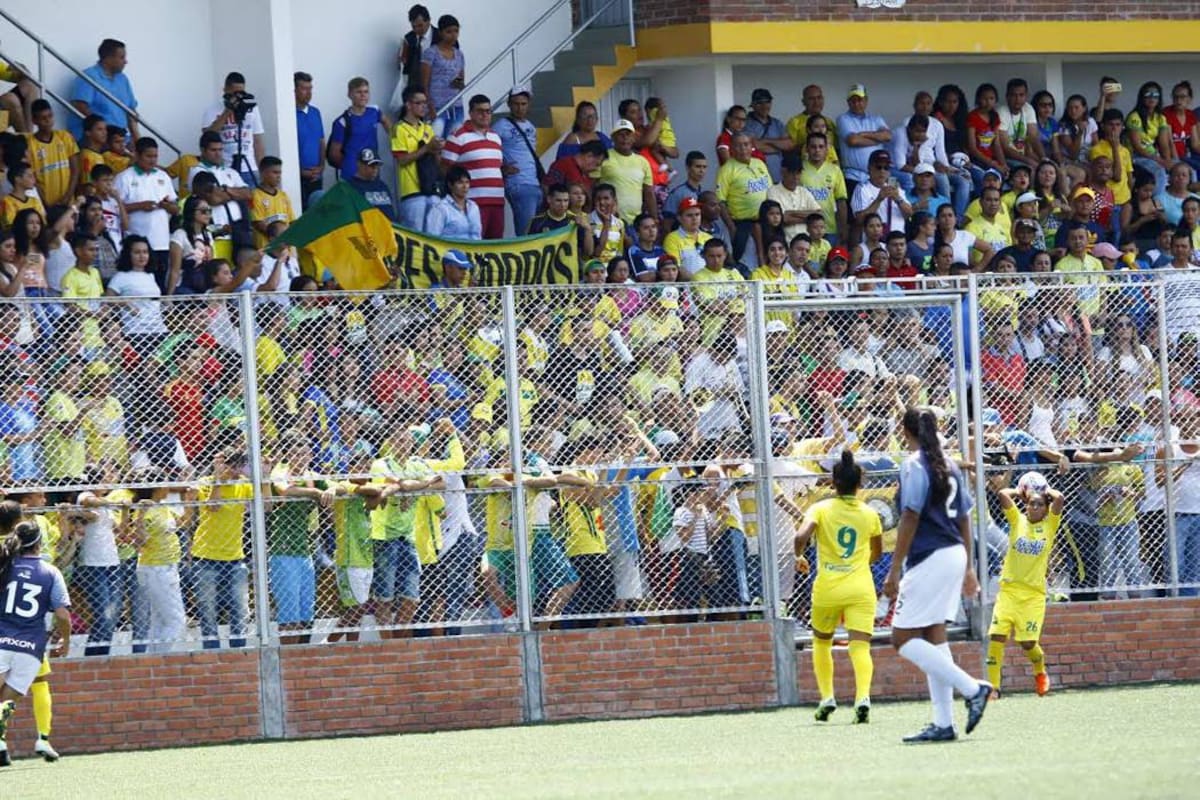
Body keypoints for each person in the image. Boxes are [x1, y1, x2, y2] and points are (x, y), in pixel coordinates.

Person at [884, 406, 991, 743]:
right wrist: (970, 566)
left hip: (930, 556)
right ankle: (943, 723)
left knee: (901, 638)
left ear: (905, 432)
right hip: (954, 553)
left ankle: (972, 689)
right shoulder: (951, 464)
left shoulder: (914, 464)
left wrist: (894, 568)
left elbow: (911, 516)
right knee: (933, 635)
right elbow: (964, 518)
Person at [793, 450, 882, 724]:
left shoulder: (820, 508)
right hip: (860, 587)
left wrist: (799, 556)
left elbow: (800, 536)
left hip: (827, 587)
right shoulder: (870, 514)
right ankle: (863, 697)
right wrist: (856, 564)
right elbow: (877, 553)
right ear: (860, 484)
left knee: (822, 642)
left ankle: (827, 697)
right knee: (860, 646)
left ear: (833, 482)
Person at [0, 511, 73, 769]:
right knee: (20, 692)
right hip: (31, 643)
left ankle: (0, 743)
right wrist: (65, 640)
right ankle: (42, 737)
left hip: (1, 637)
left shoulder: (4, 563)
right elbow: (63, 615)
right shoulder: (50, 571)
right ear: (40, 543)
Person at [987, 477, 1064, 698]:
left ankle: (1040, 673)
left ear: (1046, 509)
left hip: (1033, 595)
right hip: (1009, 591)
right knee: (996, 636)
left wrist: (1046, 490)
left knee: (1027, 642)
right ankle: (993, 687)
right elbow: (1002, 494)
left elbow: (1060, 498)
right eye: (1031, 503)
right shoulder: (1017, 520)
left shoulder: (1049, 525)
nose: (1034, 507)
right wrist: (1021, 492)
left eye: (1039, 504)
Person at [114, 137, 179, 289]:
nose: (153, 160)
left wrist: (167, 206)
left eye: (155, 156)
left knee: (158, 285)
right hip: (135, 243)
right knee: (136, 285)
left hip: (161, 242)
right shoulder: (125, 177)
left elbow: (176, 208)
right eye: (148, 156)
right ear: (137, 155)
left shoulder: (163, 176)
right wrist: (139, 206)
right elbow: (116, 208)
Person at [442, 94, 504, 239]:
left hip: (497, 201)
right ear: (470, 113)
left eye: (488, 111)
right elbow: (445, 169)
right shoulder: (458, 136)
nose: (485, 115)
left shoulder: (496, 137)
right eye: (480, 111)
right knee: (475, 245)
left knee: (495, 247)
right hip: (473, 203)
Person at [391, 84, 444, 231]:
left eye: (425, 103)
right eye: (418, 103)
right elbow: (401, 160)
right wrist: (427, 148)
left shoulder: (427, 128)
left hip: (431, 189)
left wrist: (438, 150)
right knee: (417, 238)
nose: (423, 107)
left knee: (434, 236)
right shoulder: (399, 128)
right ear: (408, 105)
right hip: (411, 191)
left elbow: (437, 160)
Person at [716, 132, 771, 267]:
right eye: (738, 146)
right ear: (732, 149)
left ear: (751, 146)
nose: (743, 149)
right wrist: (732, 227)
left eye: (746, 144)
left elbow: (771, 190)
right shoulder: (726, 169)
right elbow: (720, 202)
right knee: (741, 261)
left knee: (768, 258)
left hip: (765, 221)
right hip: (741, 223)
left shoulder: (760, 164)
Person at [201, 72, 266, 186]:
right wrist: (228, 111)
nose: (238, 97)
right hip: (225, 166)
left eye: (241, 93)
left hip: (249, 167)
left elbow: (258, 141)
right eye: (234, 93)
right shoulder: (212, 110)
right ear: (225, 90)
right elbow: (207, 137)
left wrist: (262, 170)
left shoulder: (252, 109)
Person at [68, 38, 138, 141]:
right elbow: (80, 105)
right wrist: (104, 131)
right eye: (122, 57)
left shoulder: (122, 79)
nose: (125, 61)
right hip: (95, 141)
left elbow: (131, 112)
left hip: (120, 140)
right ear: (108, 58)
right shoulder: (89, 76)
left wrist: (136, 140)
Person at [498, 85, 544, 237]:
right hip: (518, 184)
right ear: (509, 104)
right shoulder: (500, 125)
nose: (520, 108)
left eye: (523, 104)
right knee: (526, 234)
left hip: (535, 183)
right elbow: (490, 149)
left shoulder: (531, 127)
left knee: (536, 233)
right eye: (516, 104)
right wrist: (501, 168)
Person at [327, 77, 392, 182]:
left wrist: (397, 141)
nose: (363, 95)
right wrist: (349, 166)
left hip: (372, 171)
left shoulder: (374, 111)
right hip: (351, 175)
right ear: (350, 94)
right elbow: (334, 154)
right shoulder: (342, 121)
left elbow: (387, 124)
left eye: (366, 92)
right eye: (359, 92)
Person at [837, 83, 891, 194]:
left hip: (877, 177)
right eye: (853, 100)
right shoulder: (843, 119)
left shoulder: (876, 119)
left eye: (860, 100)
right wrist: (877, 139)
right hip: (853, 176)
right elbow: (853, 140)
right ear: (848, 102)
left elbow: (887, 136)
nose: (857, 103)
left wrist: (864, 134)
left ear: (866, 100)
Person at [601, 119, 656, 226]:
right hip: (609, 220)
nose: (625, 138)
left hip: (636, 223)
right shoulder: (603, 157)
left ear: (634, 137)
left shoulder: (643, 161)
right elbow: (594, 186)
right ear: (613, 138)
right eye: (620, 135)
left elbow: (649, 193)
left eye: (628, 134)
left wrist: (655, 218)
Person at [25, 100, 80, 207]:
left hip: (68, 202)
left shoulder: (65, 137)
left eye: (50, 116)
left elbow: (75, 170)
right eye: (43, 118)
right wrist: (44, 203)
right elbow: (32, 178)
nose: (48, 121)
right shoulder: (29, 144)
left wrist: (68, 196)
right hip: (44, 205)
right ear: (34, 120)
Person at [421, 14, 466, 139]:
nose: (453, 35)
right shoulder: (431, 53)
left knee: (454, 141)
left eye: (456, 31)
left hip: (455, 105)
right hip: (436, 106)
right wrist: (429, 106)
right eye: (449, 32)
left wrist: (458, 82)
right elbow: (424, 83)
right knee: (436, 141)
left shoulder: (459, 54)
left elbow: (461, 80)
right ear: (440, 33)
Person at [293, 71, 325, 208]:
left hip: (316, 175)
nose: (308, 92)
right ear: (294, 90)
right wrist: (299, 170)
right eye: (304, 89)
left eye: (310, 88)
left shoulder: (315, 112)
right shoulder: (289, 114)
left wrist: (321, 166)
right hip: (298, 176)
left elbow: (321, 141)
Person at [425, 166, 482, 239]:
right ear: (450, 185)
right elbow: (432, 238)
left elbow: (478, 235)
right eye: (460, 182)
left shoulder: (474, 207)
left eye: (467, 182)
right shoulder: (440, 208)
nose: (465, 186)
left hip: (474, 249)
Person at [345, 148, 397, 221]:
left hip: (388, 229)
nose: (375, 169)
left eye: (377, 165)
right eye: (371, 165)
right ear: (359, 164)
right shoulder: (349, 187)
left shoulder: (382, 185)